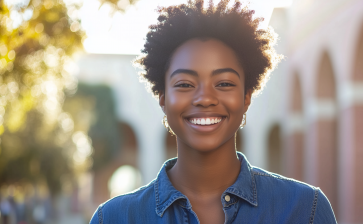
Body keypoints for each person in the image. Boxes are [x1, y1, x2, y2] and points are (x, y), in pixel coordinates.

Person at [90, 0, 337, 223]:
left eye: (224, 84)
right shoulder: (113, 218)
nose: (205, 98)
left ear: (246, 98)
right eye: (185, 84)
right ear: (163, 100)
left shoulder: (306, 210)